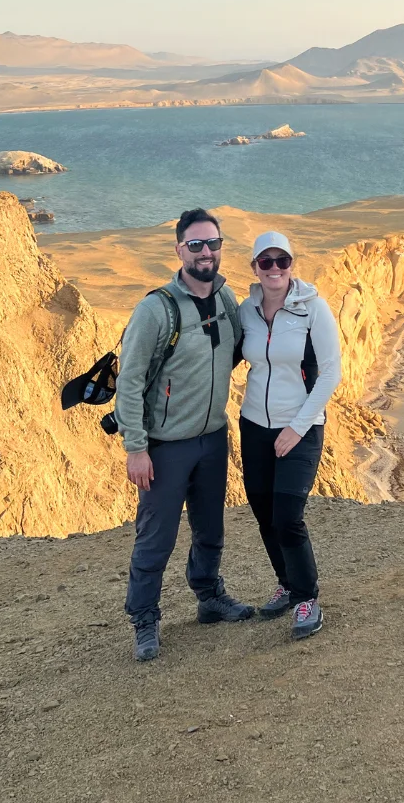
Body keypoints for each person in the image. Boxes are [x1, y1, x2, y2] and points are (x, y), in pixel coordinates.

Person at [116, 208, 255, 662]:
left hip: (213, 437)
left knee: (210, 528)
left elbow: (238, 347)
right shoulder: (155, 309)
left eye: (212, 243)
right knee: (156, 537)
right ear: (179, 250)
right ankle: (144, 620)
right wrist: (136, 448)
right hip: (166, 447)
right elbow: (130, 382)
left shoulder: (226, 298)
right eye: (195, 245)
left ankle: (209, 596)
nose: (205, 252)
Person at [238, 231, 342, 639]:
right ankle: (286, 581)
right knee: (264, 515)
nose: (275, 269)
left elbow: (331, 372)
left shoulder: (313, 308)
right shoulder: (246, 311)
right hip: (253, 425)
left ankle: (306, 599)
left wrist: (296, 428)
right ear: (255, 268)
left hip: (300, 427)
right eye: (267, 262)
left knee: (287, 517)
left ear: (292, 265)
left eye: (283, 261)